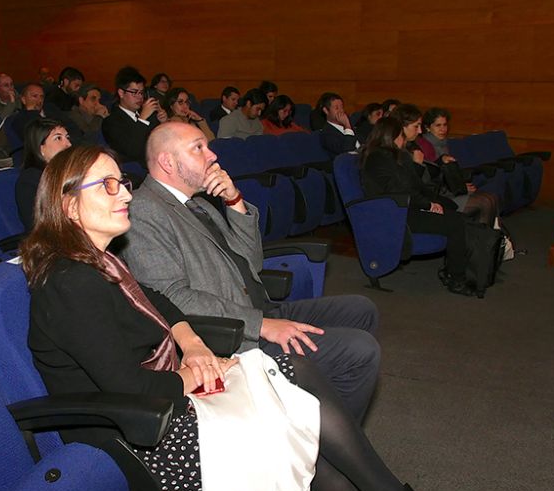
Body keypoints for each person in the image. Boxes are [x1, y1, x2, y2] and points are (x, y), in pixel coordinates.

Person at [23, 143, 479, 491]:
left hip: (160, 404)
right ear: (69, 205)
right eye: (107, 185)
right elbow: (132, 387)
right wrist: (199, 373)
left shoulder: (101, 262)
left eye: (122, 181)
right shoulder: (71, 282)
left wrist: (193, 345)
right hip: (144, 442)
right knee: (292, 409)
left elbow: (159, 301)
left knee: (296, 411)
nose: (125, 193)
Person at [120, 121, 379, 421]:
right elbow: (172, 297)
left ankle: (317, 415)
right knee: (360, 350)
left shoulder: (199, 204)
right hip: (230, 335)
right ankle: (333, 440)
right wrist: (261, 325)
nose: (212, 155)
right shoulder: (145, 210)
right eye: (198, 148)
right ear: (167, 162)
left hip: (259, 309)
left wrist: (234, 201)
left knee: (361, 310)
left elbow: (252, 262)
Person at [361, 117, 475, 297]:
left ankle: (456, 269)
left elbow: (415, 186)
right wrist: (428, 205)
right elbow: (399, 191)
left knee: (454, 213)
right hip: (394, 214)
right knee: (455, 223)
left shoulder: (394, 156)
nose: (404, 139)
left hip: (405, 206)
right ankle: (456, 279)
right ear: (393, 137)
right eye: (401, 135)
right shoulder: (378, 158)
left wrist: (436, 201)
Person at [392, 104, 497, 226]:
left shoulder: (415, 146)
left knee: (489, 199)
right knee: (484, 202)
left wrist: (441, 163)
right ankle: (485, 235)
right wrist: (419, 165)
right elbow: (414, 185)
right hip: (427, 199)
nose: (419, 131)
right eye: (416, 126)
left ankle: (487, 234)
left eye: (445, 125)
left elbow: (430, 175)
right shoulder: (417, 147)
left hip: (435, 193)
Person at [15, 118, 72, 229]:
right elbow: (41, 226)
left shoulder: (71, 172)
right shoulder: (30, 181)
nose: (68, 144)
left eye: (67, 137)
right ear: (40, 148)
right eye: (58, 138)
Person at [101, 66, 165, 166]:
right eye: (134, 92)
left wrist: (164, 123)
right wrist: (142, 119)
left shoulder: (150, 115)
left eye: (141, 93)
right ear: (121, 93)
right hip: (134, 170)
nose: (139, 97)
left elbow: (162, 142)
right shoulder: (111, 121)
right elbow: (132, 151)